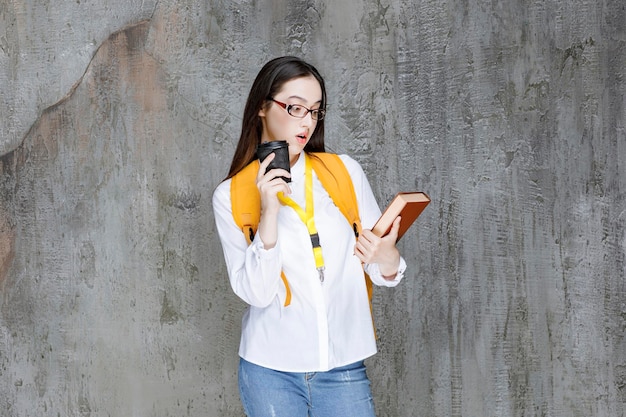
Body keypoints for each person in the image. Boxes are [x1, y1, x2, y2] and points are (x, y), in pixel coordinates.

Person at [212, 56, 407, 417]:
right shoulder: (232, 195)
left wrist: (388, 258)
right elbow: (255, 292)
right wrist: (268, 212)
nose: (306, 122)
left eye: (315, 111)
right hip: (270, 371)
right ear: (262, 108)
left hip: (343, 365)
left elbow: (384, 270)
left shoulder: (344, 172)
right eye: (295, 108)